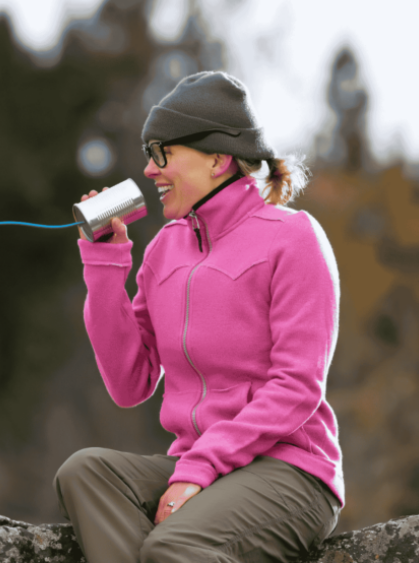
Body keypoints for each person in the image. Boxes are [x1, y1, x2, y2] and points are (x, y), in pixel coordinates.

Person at [54, 71, 343, 563]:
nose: (149, 170)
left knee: (175, 545)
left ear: (218, 158)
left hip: (290, 470)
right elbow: (130, 384)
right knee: (85, 472)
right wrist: (104, 268)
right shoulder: (165, 250)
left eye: (162, 153)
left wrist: (200, 468)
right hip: (196, 463)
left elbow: (297, 386)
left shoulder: (293, 238)